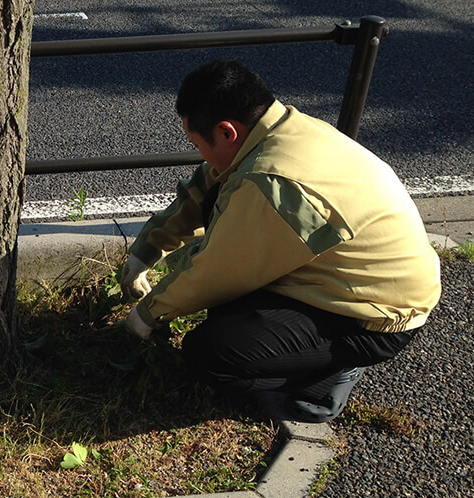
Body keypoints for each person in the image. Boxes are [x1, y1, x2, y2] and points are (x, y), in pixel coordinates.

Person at [120, 59, 440, 423]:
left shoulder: (273, 183)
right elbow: (202, 190)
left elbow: (217, 272)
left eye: (197, 142)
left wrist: (148, 314)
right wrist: (147, 250)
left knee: (211, 354)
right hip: (358, 277)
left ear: (227, 132)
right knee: (225, 279)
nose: (199, 154)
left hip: (374, 318)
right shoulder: (284, 129)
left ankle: (328, 377)